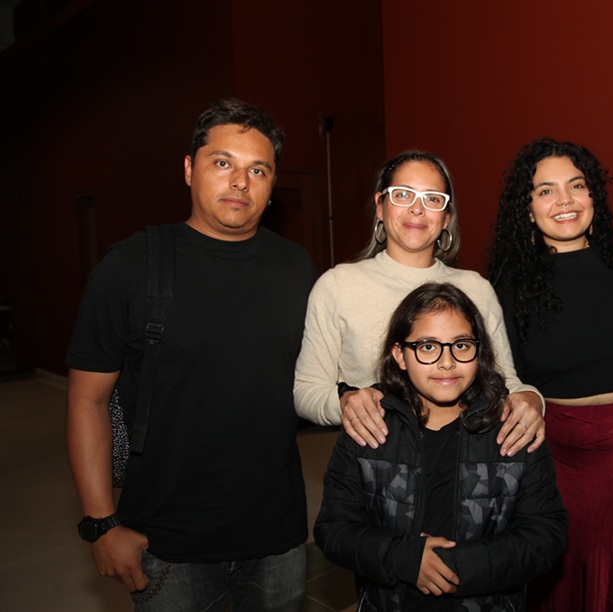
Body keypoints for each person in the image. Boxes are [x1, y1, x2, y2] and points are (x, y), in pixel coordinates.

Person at [65, 99, 317, 610]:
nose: (240, 182)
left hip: (277, 535)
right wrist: (100, 524)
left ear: (272, 185)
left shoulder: (297, 268)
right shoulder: (131, 266)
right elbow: (86, 402)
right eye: (223, 162)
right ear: (188, 169)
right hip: (166, 541)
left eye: (258, 169)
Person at [314, 282, 568, 610]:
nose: (447, 362)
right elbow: (333, 529)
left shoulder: (513, 429)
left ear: (480, 352)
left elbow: (547, 534)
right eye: (428, 347)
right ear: (399, 355)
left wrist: (462, 564)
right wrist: (404, 557)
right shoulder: (369, 428)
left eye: (461, 345)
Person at [489, 138, 613, 611]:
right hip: (551, 459)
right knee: (557, 585)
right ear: (527, 207)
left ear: (593, 196)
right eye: (546, 191)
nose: (564, 201)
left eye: (576, 185)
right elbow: (499, 382)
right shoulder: (508, 285)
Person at [293, 150, 545, 455]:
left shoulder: (476, 289)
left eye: (432, 199)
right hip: (378, 463)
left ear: (446, 217)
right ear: (380, 207)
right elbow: (305, 390)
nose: (417, 209)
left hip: (465, 460)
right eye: (402, 195)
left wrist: (532, 400)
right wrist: (345, 403)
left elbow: (507, 383)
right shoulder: (337, 286)